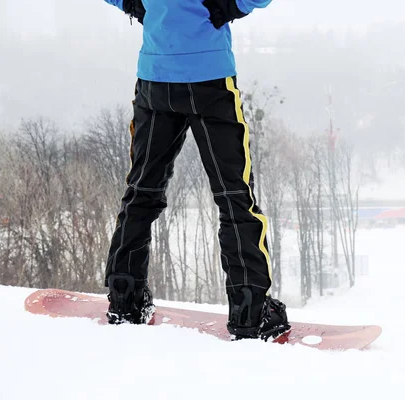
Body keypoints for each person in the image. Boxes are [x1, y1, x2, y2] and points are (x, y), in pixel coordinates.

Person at [101, 0, 290, 341]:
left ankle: (125, 298)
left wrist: (133, 3)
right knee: (234, 197)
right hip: (210, 79)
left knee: (142, 191)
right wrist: (231, 4)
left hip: (155, 79)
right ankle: (250, 312)